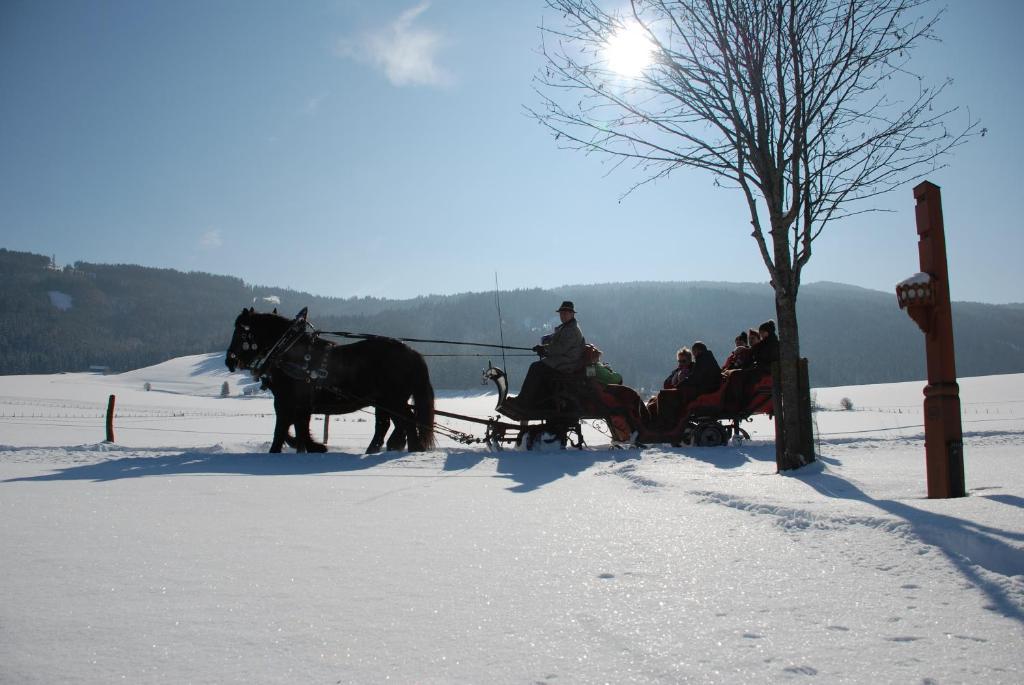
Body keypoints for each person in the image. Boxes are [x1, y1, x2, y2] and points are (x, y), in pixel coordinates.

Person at [504, 300, 585, 412]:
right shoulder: (566, 327)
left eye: (566, 313)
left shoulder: (572, 330)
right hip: (562, 360)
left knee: (536, 368)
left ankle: (523, 401)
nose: (563, 315)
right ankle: (530, 400)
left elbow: (560, 348)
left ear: (572, 314)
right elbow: (556, 342)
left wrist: (544, 349)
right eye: (561, 313)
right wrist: (546, 343)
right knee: (539, 367)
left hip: (567, 363)